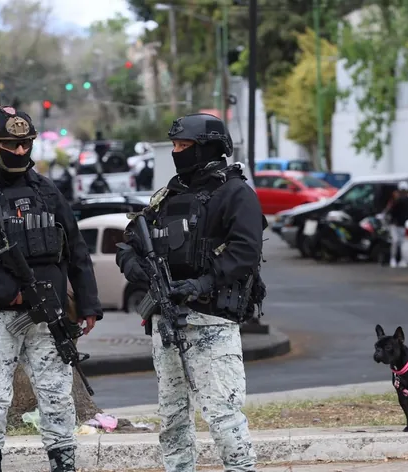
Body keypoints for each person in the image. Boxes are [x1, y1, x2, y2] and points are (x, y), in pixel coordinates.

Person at [0, 106, 103, 472]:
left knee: (57, 394)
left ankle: (63, 461)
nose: (21, 152)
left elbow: (75, 248)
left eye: (26, 144)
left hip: (49, 313)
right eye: (12, 145)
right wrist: (6, 290)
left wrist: (88, 304)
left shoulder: (45, 190)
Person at [115, 113, 265, 472]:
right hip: (167, 321)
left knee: (224, 417)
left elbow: (245, 251)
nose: (177, 152)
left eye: (184, 146)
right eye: (175, 146)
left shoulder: (235, 193)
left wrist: (203, 282)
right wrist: (134, 267)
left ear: (209, 148)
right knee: (172, 420)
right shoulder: (169, 195)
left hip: (212, 320)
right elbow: (130, 242)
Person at [385, 181, 408, 268]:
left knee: (403, 243)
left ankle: (403, 259)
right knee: (395, 241)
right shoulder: (395, 201)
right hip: (395, 225)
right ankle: (393, 259)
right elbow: (391, 211)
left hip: (404, 225)